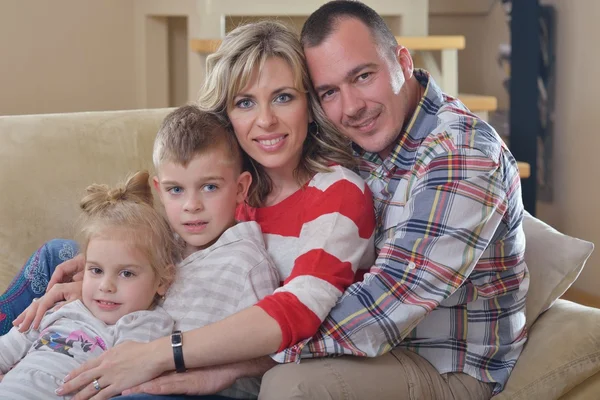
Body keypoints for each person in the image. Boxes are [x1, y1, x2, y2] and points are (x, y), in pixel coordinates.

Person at [125, 2, 529, 399]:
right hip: (353, 344)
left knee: (289, 386)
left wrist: (211, 359)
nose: (351, 106)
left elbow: (382, 311)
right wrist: (119, 262)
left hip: (444, 362)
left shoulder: (461, 154)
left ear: (403, 62)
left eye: (364, 76)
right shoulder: (355, 140)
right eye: (330, 91)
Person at [2, 20, 376, 400]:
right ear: (226, 117)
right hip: (152, 323)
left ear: (309, 106)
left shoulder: (336, 191)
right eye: (245, 102)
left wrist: (170, 357)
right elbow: (174, 255)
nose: (265, 120)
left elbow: (301, 315)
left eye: (283, 97)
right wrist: (103, 271)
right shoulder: (229, 184)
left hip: (209, 354)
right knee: (59, 257)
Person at [0, 171, 176, 399]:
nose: (106, 286)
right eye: (96, 270)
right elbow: (7, 349)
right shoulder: (61, 310)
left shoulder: (144, 324)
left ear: (161, 281)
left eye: (126, 273)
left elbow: (128, 380)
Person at [151, 105, 280, 399]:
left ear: (240, 188)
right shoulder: (160, 245)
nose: (191, 205)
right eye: (176, 190)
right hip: (141, 373)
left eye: (209, 187)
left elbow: (272, 351)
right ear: (159, 190)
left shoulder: (245, 262)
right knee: (56, 253)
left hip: (210, 393)